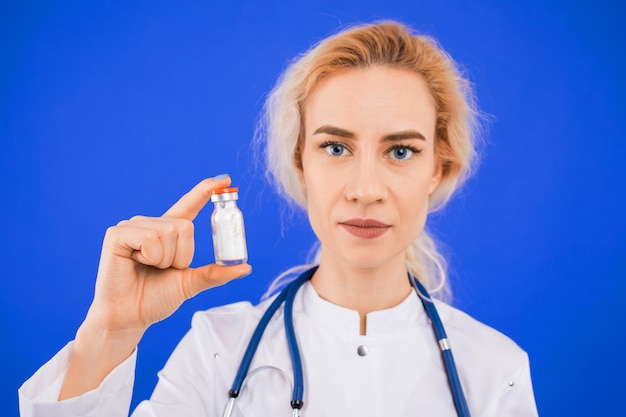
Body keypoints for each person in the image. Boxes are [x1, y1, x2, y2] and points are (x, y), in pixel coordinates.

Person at [19, 21, 539, 416]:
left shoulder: (494, 371)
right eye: (335, 147)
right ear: (300, 163)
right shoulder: (219, 350)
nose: (364, 190)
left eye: (400, 151)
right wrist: (111, 330)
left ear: (437, 168)